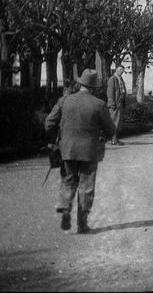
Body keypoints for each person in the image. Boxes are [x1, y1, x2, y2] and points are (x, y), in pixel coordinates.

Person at [44, 69, 115, 234]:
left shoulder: (65, 101)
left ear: (80, 83)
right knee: (86, 187)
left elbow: (48, 123)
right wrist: (102, 135)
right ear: (94, 87)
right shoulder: (99, 104)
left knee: (68, 181)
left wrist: (56, 139)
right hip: (90, 151)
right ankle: (82, 224)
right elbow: (111, 130)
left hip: (67, 150)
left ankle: (65, 208)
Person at [106, 66, 127, 145]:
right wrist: (112, 104)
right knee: (114, 122)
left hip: (120, 103)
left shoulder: (120, 79)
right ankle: (113, 139)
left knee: (118, 122)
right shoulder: (112, 79)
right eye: (120, 69)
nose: (121, 71)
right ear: (116, 70)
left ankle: (116, 138)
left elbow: (123, 91)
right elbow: (110, 92)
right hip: (114, 104)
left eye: (122, 70)